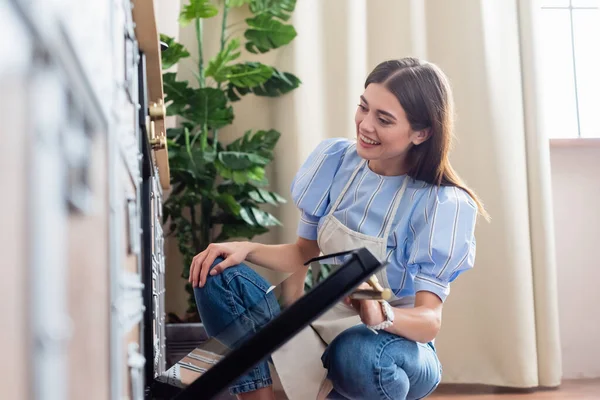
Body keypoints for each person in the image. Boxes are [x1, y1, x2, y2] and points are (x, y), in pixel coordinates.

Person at [189, 57, 489, 400]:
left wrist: (381, 312)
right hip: (316, 319)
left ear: (421, 133)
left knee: (358, 352)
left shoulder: (440, 203)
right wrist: (245, 248)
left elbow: (428, 321)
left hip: (391, 344)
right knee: (216, 271)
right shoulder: (335, 162)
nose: (365, 125)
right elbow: (304, 253)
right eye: (364, 107)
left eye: (384, 119)